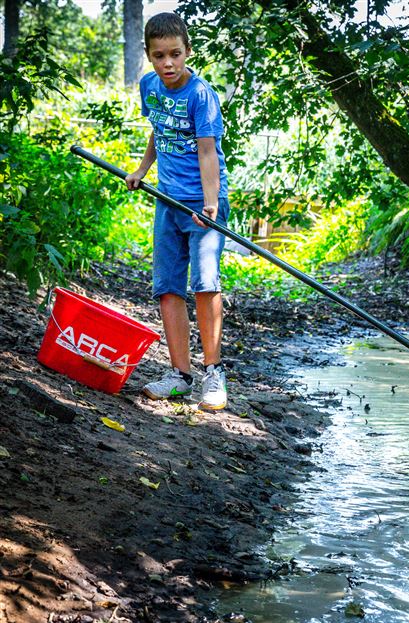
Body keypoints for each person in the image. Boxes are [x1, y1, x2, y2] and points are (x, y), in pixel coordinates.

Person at [125, 12, 229, 411]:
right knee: (168, 287)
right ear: (149, 56)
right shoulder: (150, 86)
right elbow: (161, 130)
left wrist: (210, 204)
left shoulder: (201, 94)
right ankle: (180, 375)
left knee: (205, 283)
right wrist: (141, 169)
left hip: (204, 203)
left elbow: (207, 151)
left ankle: (213, 372)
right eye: (159, 56)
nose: (167, 63)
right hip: (167, 201)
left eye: (175, 54)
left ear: (187, 51)